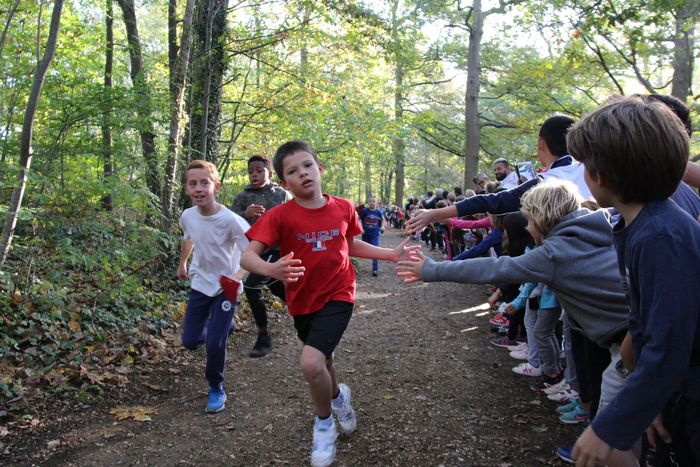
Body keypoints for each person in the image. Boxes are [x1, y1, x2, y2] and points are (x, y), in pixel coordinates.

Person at [396, 180, 634, 462]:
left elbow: (498, 267)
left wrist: (432, 270)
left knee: (610, 441)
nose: (526, 226)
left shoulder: (555, 253)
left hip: (628, 348)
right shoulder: (601, 227)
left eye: (528, 219)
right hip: (637, 338)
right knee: (631, 433)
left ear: (541, 218)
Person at [240, 140, 419, 467]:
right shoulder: (280, 216)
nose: (302, 173)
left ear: (319, 168)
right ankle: (338, 398)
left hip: (339, 294)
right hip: (302, 300)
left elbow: (351, 245)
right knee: (326, 360)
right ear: (284, 183)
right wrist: (271, 268)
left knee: (311, 364)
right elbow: (248, 256)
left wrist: (391, 254)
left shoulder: (343, 208)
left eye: (307, 165)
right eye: (292, 171)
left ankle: (324, 423)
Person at [567, 97, 700, 466]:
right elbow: (643, 325)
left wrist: (608, 427)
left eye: (585, 168)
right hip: (678, 389)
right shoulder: (637, 226)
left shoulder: (660, 237)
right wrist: (648, 401)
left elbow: (669, 343)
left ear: (602, 177)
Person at [406, 115, 591, 234]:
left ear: (541, 144)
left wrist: (432, 214)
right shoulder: (593, 172)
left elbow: (493, 201)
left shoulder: (547, 182)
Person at [177, 160, 250, 414]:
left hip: (226, 287)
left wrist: (237, 276)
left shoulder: (232, 221)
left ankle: (216, 387)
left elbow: (251, 254)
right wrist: (183, 263)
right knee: (189, 341)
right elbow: (189, 238)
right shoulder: (187, 216)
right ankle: (225, 325)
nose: (198, 188)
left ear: (216, 186)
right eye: (193, 183)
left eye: (204, 183)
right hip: (200, 283)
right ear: (186, 189)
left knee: (215, 344)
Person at [231, 154, 292, 358]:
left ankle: (263, 336)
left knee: (251, 286)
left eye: (258, 171)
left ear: (270, 172)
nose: (254, 175)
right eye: (250, 172)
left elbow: (296, 216)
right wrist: (244, 215)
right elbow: (229, 222)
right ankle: (304, 305)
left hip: (278, 249)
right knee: (274, 285)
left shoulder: (282, 194)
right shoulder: (242, 197)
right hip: (255, 250)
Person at [359, 196, 385, 276]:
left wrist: (382, 226)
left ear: (376, 203)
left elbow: (382, 219)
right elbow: (358, 219)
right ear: (368, 203)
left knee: (375, 251)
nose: (372, 203)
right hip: (365, 234)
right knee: (363, 250)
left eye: (374, 201)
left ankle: (375, 269)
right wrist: (360, 227)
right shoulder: (364, 211)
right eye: (370, 201)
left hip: (375, 234)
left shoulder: (378, 212)